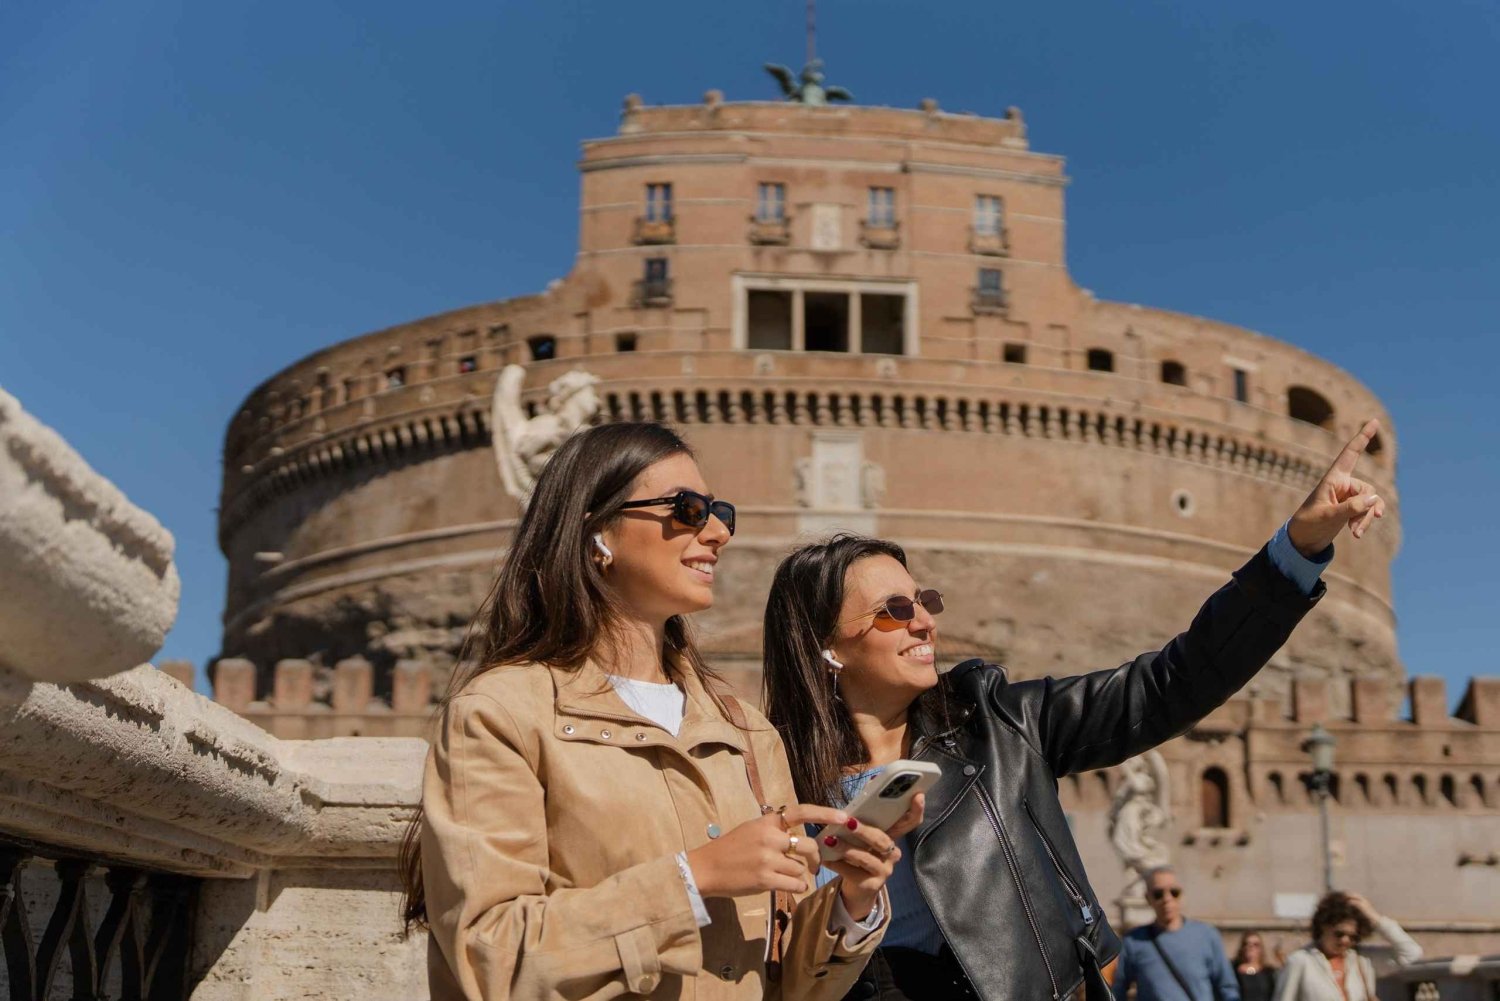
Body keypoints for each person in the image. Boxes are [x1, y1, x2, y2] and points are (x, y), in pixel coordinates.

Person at [760, 420, 1387, 1001]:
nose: (925, 619)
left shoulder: (1000, 724)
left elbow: (1175, 682)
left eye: (923, 599)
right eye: (895, 610)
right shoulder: (772, 776)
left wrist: (1295, 553)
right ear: (824, 645)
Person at [400, 421, 912, 1000]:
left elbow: (786, 984)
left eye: (720, 512)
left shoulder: (745, 731)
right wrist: (695, 878)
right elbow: (489, 958)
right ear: (598, 531)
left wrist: (850, 902)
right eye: (687, 509)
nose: (717, 531)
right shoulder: (501, 715)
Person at [1111, 867, 1239, 1001]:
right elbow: (1119, 988)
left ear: (1182, 895)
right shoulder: (1133, 941)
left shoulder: (1207, 935)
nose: (1167, 899)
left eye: (1174, 892)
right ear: (1148, 898)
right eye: (1158, 894)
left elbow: (1227, 987)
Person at [1274, 892, 1422, 1001]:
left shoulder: (1362, 959)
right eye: (1339, 934)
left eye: (1353, 937)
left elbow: (1412, 954)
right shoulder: (1300, 961)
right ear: (1324, 926)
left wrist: (1375, 918)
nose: (1345, 941)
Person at [1233, 931, 1279, 1001]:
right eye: (1246, 944)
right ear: (1242, 948)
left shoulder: (1268, 972)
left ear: (1261, 949)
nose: (1251, 947)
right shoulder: (1233, 970)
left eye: (1256, 945)